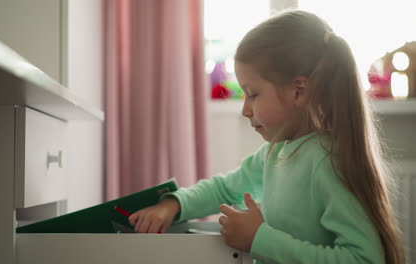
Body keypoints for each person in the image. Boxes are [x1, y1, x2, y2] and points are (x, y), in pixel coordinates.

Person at [128, 10, 405, 264]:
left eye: (253, 94)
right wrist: (174, 204)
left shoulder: (327, 162)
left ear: (298, 91)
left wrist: (259, 238)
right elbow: (224, 189)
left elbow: (365, 259)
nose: (245, 110)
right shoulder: (275, 154)